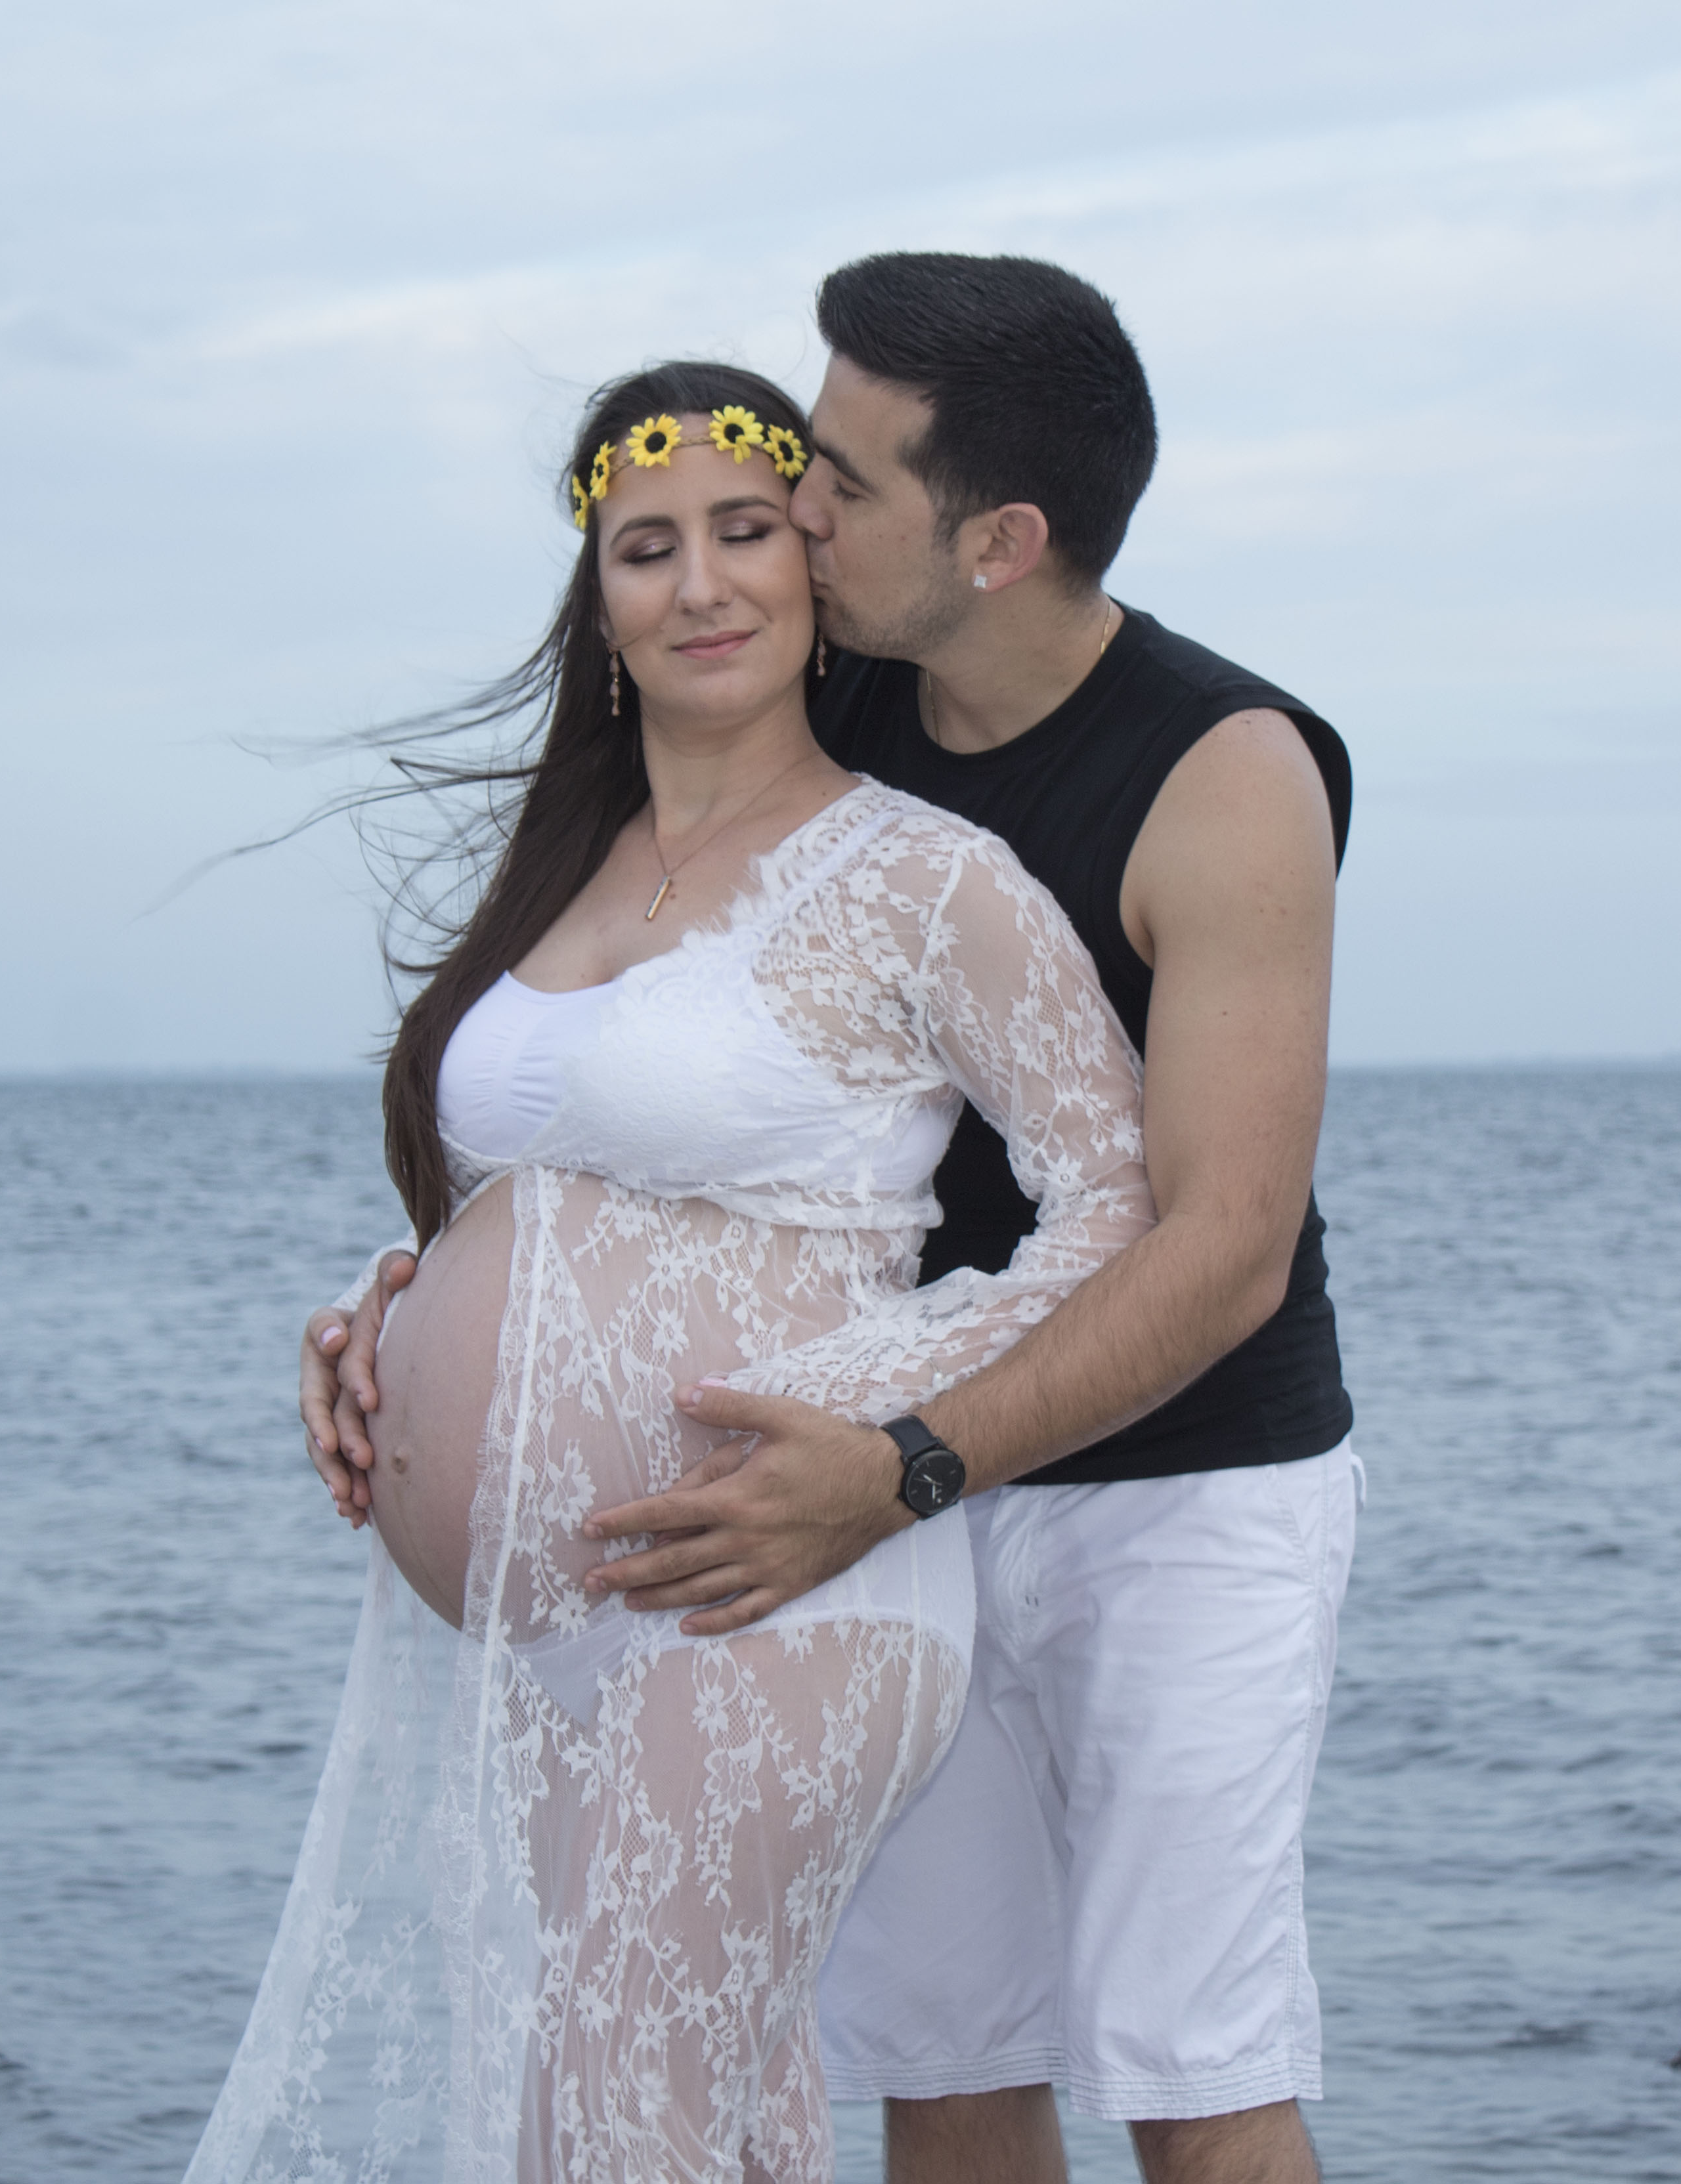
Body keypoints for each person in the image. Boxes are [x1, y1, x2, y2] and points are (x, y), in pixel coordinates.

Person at [307, 257, 1359, 2184]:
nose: (789, 516)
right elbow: (641, 1112)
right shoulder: (824, 679)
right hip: (845, 1496)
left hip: (1165, 1489)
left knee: (1194, 2076)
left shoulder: (1223, 771)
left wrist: (906, 1459)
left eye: (837, 484)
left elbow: (1221, 1247)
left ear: (999, 541)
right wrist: (422, 1303)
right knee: (943, 2063)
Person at [194, 360, 1155, 2183]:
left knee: (626, 2103)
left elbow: (1120, 1203)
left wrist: (874, 1424)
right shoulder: (563, 869)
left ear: (815, 571)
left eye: (744, 533)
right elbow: (550, 1188)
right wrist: (391, 1307)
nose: (700, 583)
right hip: (549, 1628)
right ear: (602, 601)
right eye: (648, 548)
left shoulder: (926, 879)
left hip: (771, 1580)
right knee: (631, 2114)